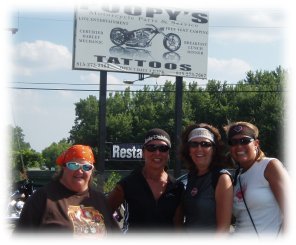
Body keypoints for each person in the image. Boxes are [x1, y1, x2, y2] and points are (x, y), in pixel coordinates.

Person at [14, 144, 119, 237]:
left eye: (86, 167)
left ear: (91, 170)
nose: (80, 171)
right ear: (63, 167)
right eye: (73, 165)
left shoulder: (100, 200)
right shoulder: (42, 199)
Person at [107, 128, 185, 233]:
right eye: (151, 147)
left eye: (163, 148)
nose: (157, 152)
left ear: (168, 154)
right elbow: (104, 212)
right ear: (143, 153)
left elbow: (178, 227)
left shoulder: (177, 187)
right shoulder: (127, 184)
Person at [223, 121, 288, 237]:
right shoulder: (237, 178)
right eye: (233, 142)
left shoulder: (269, 166)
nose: (239, 146)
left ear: (256, 144)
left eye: (244, 141)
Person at [179, 123, 234, 234]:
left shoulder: (222, 179)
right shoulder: (191, 176)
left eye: (205, 144)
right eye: (194, 144)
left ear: (213, 150)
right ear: (188, 150)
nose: (199, 148)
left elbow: (223, 230)